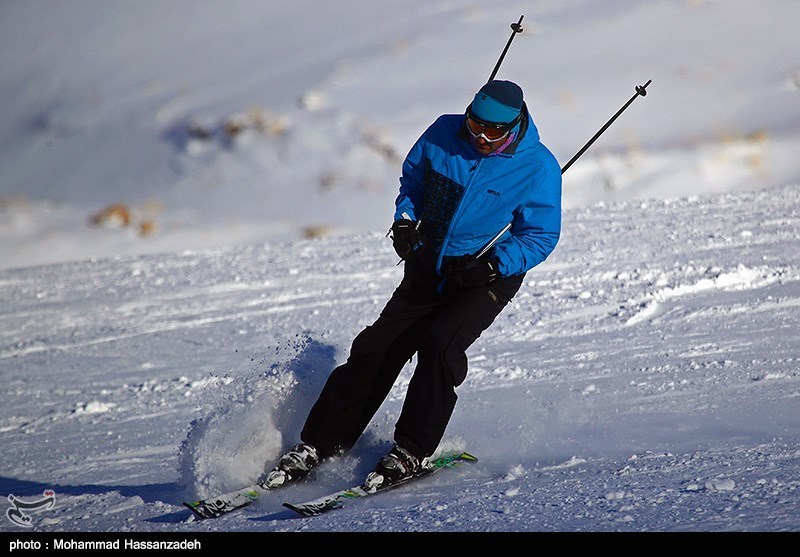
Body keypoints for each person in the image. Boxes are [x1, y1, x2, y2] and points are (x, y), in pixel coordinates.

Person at [265, 79, 562, 488]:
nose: (481, 137)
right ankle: (319, 444)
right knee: (378, 346)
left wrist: (494, 266)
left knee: (440, 345)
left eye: (493, 131)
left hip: (485, 275)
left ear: (514, 126)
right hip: (429, 262)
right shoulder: (443, 132)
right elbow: (414, 183)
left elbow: (540, 235)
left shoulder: (538, 167)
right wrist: (405, 222)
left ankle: (411, 450)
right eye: (475, 125)